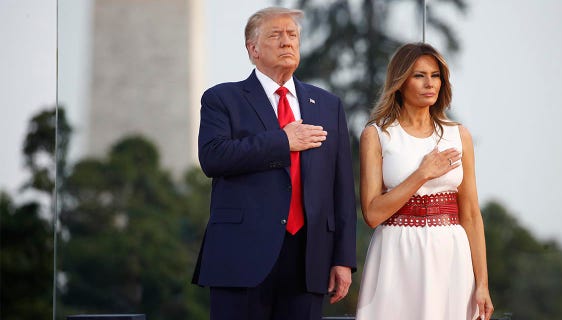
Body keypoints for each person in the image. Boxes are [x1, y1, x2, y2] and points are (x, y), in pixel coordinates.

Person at [191, 7, 357, 320]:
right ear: (252, 49)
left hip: (309, 259)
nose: (286, 42)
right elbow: (213, 157)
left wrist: (343, 258)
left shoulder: (327, 105)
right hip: (240, 257)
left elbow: (342, 189)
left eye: (292, 35)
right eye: (275, 35)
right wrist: (282, 141)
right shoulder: (222, 98)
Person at [356, 43, 494, 320]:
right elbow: (372, 214)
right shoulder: (377, 135)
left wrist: (482, 285)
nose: (429, 83)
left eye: (435, 75)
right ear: (400, 81)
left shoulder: (459, 135)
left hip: (451, 254)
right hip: (397, 253)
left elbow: (470, 215)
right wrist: (422, 174)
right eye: (419, 75)